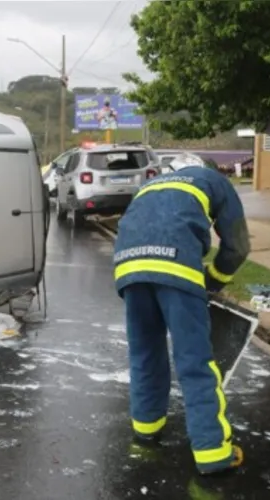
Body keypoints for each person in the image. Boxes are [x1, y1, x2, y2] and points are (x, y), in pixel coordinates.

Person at [112, 166, 251, 476]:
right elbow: (237, 246)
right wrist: (213, 281)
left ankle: (147, 428)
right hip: (175, 264)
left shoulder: (150, 186)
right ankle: (213, 451)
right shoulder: (216, 182)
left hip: (129, 268)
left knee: (145, 354)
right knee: (195, 361)